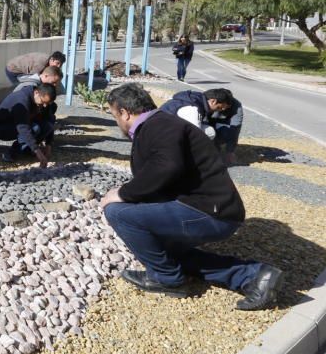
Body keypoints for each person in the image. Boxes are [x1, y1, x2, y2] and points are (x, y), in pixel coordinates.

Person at [100, 83, 281, 310]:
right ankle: (254, 276)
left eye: (114, 115)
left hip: (210, 212)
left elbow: (166, 167)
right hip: (208, 208)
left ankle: (165, 279)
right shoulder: (160, 124)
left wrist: (122, 193)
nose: (117, 121)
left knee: (118, 213)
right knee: (166, 253)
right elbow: (163, 175)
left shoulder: (159, 126)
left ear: (125, 113)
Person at [160, 88, 244, 165]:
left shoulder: (196, 98)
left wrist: (230, 151)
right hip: (164, 134)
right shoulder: (192, 110)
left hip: (163, 126)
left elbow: (235, 128)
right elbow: (194, 137)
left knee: (212, 131)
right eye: (220, 108)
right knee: (206, 133)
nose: (221, 110)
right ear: (213, 101)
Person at [0, 83, 57, 167]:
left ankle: (27, 150)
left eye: (47, 103)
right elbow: (23, 128)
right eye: (43, 102)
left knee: (47, 126)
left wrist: (49, 145)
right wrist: (38, 151)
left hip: (23, 124)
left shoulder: (44, 102)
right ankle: (11, 153)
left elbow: (49, 119)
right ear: (36, 93)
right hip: (2, 127)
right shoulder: (22, 100)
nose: (44, 105)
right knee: (35, 128)